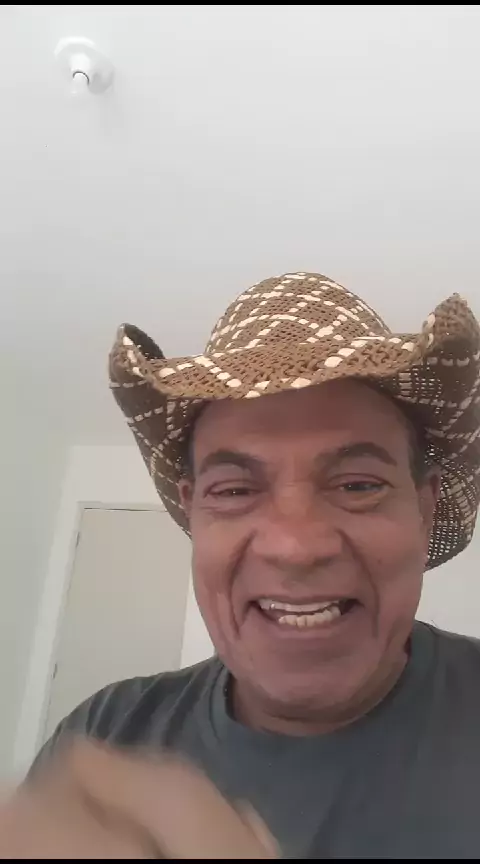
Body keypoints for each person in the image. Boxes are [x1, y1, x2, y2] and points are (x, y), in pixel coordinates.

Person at [2, 271, 480, 859]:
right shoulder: (106, 732)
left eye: (358, 484)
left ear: (424, 511)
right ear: (193, 512)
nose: (295, 547)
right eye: (233, 491)